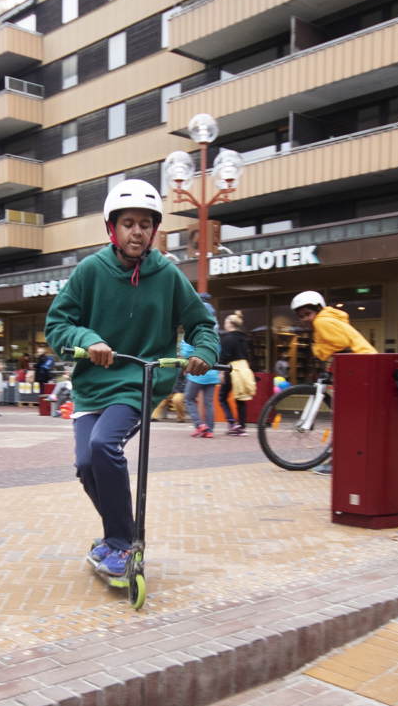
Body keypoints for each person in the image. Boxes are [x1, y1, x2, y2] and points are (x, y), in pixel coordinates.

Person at [45, 179, 217, 578]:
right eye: (128, 223)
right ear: (113, 228)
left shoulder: (168, 276)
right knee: (87, 464)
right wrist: (88, 340)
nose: (136, 231)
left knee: (105, 445)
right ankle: (116, 535)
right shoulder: (90, 270)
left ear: (154, 230)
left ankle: (122, 545)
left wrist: (205, 352)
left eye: (145, 223)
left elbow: (201, 324)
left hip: (137, 383)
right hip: (91, 387)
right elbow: (57, 325)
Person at [290, 290, 375, 473]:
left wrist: (319, 349)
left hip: (360, 366)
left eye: (307, 314)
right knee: (348, 415)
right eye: (301, 316)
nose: (304, 319)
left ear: (318, 310)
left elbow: (340, 344)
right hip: (361, 365)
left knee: (345, 416)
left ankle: (340, 461)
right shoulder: (326, 320)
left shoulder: (322, 321)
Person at [184, 292, 222, 437]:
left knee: (188, 398)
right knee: (209, 403)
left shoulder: (197, 318)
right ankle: (210, 431)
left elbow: (188, 347)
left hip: (197, 372)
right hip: (212, 371)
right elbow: (218, 349)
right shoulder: (215, 326)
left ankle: (200, 425)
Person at [218, 311, 256, 437]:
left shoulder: (228, 338)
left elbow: (225, 356)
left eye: (226, 322)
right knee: (241, 399)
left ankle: (232, 423)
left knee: (222, 397)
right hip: (244, 369)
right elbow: (249, 355)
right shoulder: (244, 338)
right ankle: (242, 427)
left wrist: (222, 372)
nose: (224, 325)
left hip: (231, 369)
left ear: (231, 324)